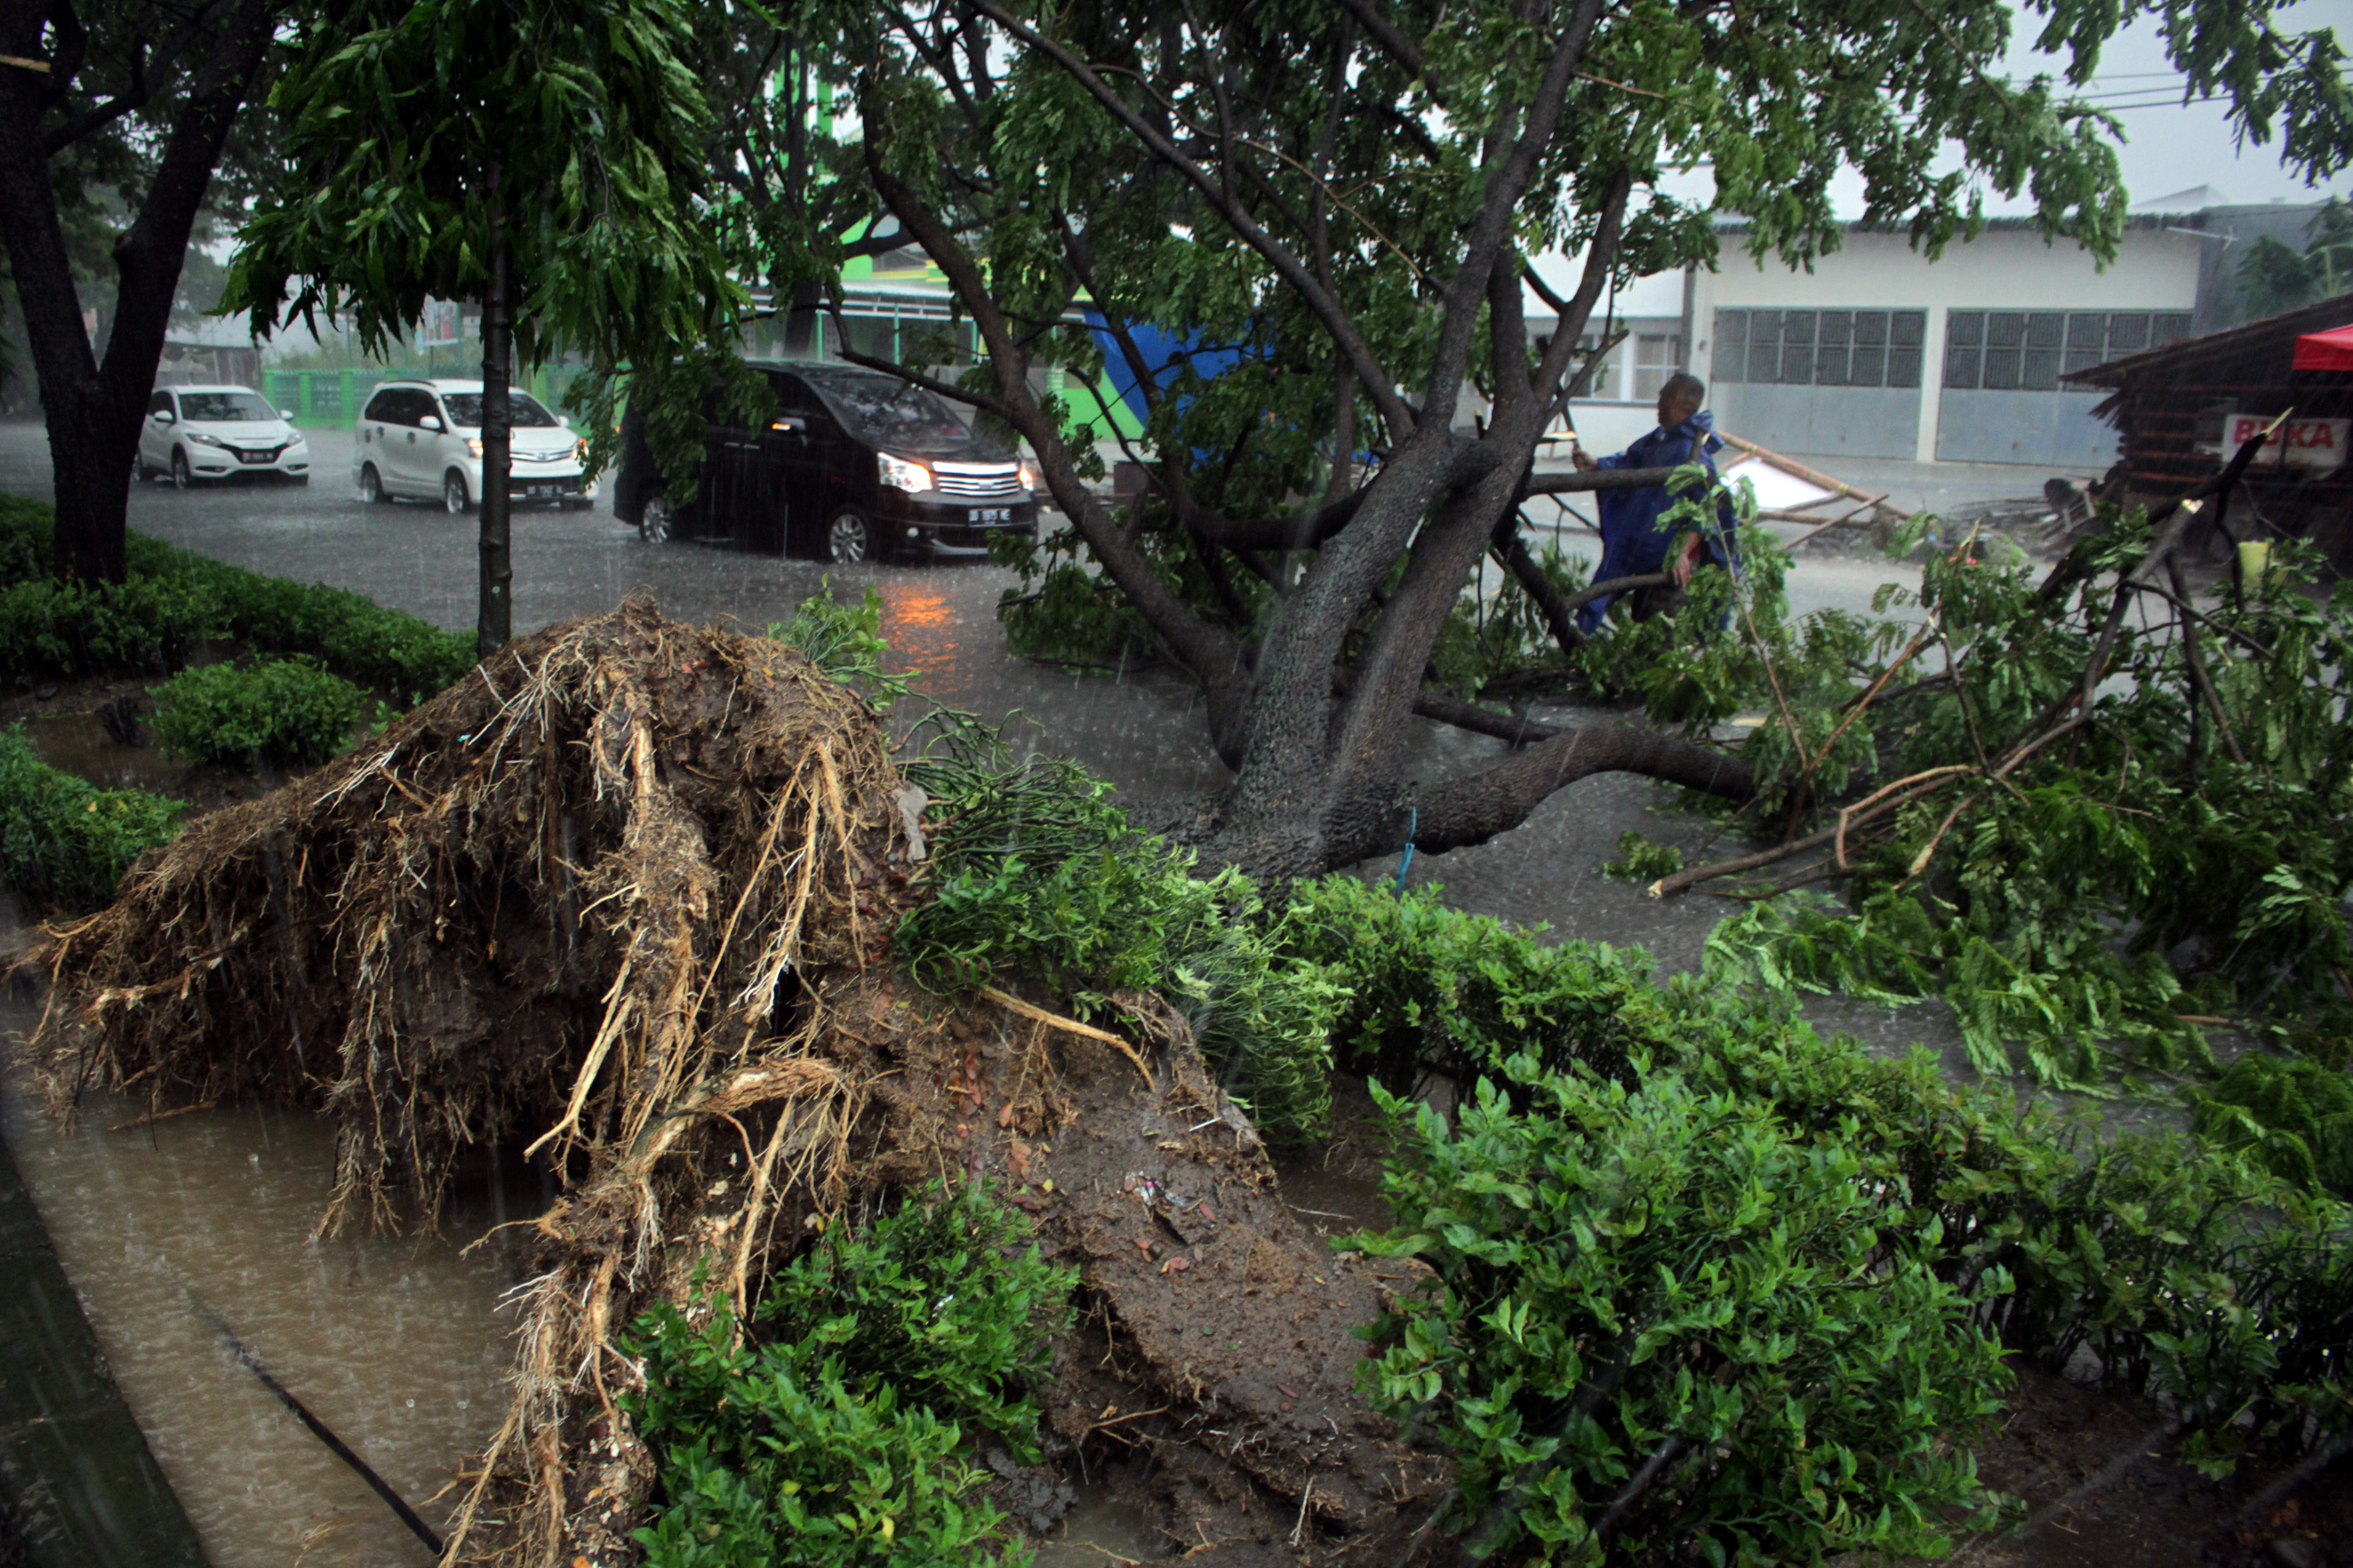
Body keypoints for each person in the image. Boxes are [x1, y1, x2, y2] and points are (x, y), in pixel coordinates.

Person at [1569, 372, 1738, 633]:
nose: (1657, 405)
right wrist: (1596, 465)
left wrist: (1683, 550)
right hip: (1641, 551)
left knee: (1662, 637)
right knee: (1639, 623)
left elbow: (1709, 507)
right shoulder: (1659, 441)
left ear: (1675, 400)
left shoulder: (1690, 453)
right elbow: (1628, 464)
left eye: (1662, 396)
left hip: (1667, 565)